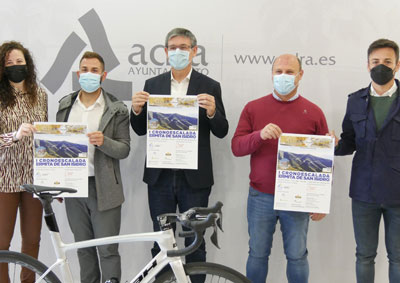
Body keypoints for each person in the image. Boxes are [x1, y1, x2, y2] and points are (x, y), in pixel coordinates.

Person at [130, 28, 228, 265]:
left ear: (194, 51)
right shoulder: (152, 84)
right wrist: (135, 110)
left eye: (183, 48)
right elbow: (141, 129)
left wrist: (213, 112)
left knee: (195, 242)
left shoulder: (210, 86)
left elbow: (222, 130)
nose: (178, 52)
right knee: (162, 242)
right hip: (160, 177)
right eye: (173, 48)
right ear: (165, 52)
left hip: (194, 179)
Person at [231, 54, 328, 283]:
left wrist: (320, 201)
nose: (283, 76)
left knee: (297, 256)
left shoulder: (314, 112)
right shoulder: (253, 108)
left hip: (297, 198)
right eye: (279, 71)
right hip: (260, 196)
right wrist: (259, 135)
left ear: (300, 75)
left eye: (290, 72)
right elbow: (236, 147)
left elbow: (324, 159)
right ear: (272, 74)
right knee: (257, 254)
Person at [56, 51, 130, 283]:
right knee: (83, 249)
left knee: (107, 250)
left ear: (103, 75)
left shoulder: (116, 108)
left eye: (94, 70)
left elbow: (124, 149)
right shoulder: (65, 105)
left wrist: (103, 142)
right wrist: (57, 182)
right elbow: (58, 146)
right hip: (73, 188)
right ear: (78, 74)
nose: (89, 74)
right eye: (85, 70)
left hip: (105, 188)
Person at [333, 38, 400, 283]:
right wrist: (333, 145)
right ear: (367, 65)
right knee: (364, 256)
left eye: (387, 62)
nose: (380, 66)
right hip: (364, 192)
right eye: (375, 61)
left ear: (397, 65)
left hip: (397, 193)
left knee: (398, 257)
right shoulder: (355, 100)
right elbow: (348, 142)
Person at [0, 41, 47, 282]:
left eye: (19, 62)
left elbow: (49, 138)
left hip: (34, 178)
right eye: (9, 63)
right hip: (4, 179)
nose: (16, 66)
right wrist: (14, 136)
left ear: (27, 65)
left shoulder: (41, 96)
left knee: (32, 239)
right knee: (1, 243)